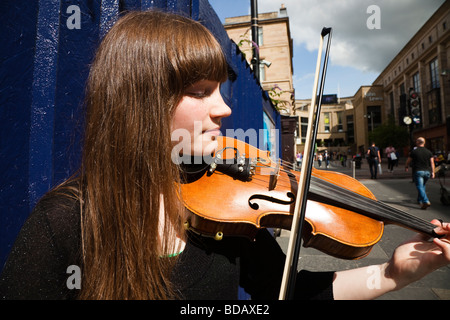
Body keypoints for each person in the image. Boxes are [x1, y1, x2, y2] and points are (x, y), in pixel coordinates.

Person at [1, 10, 450, 301]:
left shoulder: (227, 218)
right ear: (137, 102)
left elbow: (288, 293)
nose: (224, 108)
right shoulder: (64, 222)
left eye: (221, 89)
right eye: (200, 92)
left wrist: (395, 272)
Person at [405, 137, 435, 210]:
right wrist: (433, 172)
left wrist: (406, 166)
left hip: (418, 171)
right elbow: (432, 163)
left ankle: (425, 201)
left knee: (419, 186)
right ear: (424, 143)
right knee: (423, 186)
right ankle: (420, 200)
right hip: (427, 172)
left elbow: (408, 160)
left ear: (418, 142)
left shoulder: (414, 151)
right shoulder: (429, 152)